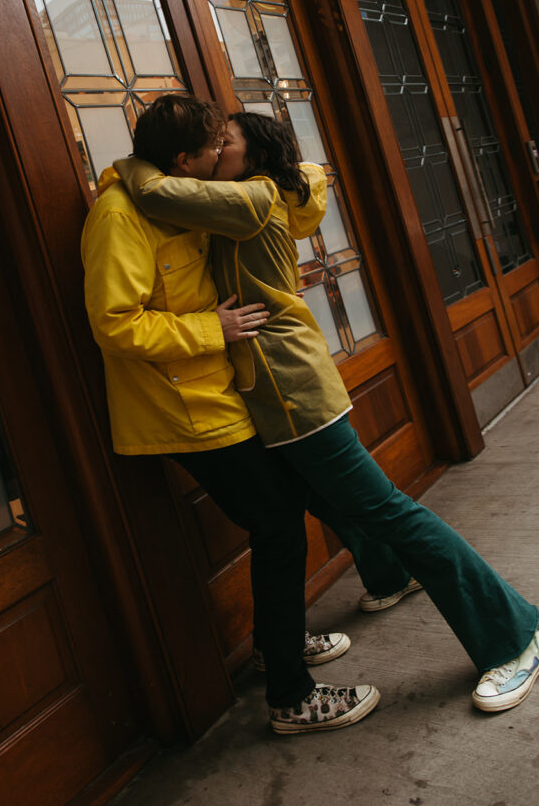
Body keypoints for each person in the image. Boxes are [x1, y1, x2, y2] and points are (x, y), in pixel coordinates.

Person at [115, 108, 539, 718]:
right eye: (211, 145)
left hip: (297, 393)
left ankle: (513, 634)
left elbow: (159, 190)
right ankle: (388, 576)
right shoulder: (240, 195)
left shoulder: (252, 197)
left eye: (227, 143)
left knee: (390, 511)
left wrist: (124, 166)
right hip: (274, 399)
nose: (217, 152)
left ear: (256, 157)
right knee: (330, 501)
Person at [81, 94, 385, 735]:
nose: (226, 156)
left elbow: (298, 210)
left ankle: (281, 645)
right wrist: (210, 328)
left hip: (221, 395)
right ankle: (291, 696)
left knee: (285, 512)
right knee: (278, 525)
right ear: (185, 158)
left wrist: (287, 167)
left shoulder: (185, 195)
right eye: (216, 148)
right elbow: (115, 324)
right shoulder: (118, 216)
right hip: (182, 409)